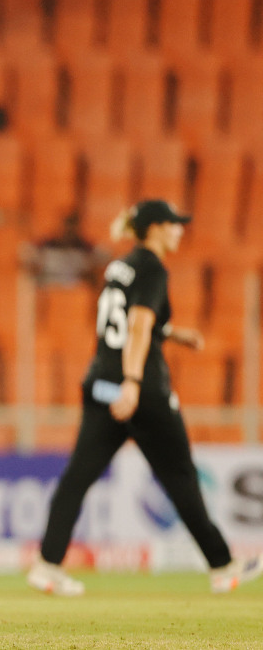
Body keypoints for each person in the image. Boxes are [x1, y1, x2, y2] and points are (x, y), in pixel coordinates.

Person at [27, 199, 263, 597]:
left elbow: (124, 320)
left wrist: (170, 333)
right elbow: (137, 326)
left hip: (100, 381)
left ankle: (47, 565)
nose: (179, 231)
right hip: (142, 390)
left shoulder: (120, 265)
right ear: (154, 228)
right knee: (180, 476)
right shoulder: (153, 266)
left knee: (77, 478)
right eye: (173, 224)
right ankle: (223, 566)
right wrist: (134, 382)